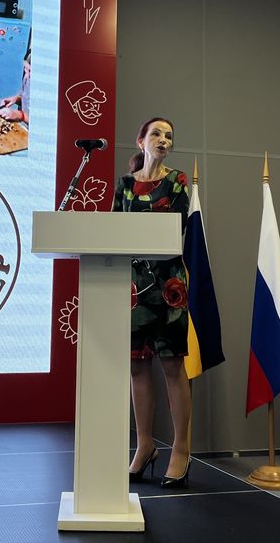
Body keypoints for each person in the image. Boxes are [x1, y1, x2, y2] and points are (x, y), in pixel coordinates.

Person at [112, 117, 192, 488]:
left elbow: (175, 227)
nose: (163, 140)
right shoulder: (125, 185)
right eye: (156, 133)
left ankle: (181, 448)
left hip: (168, 282)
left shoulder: (177, 181)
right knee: (136, 366)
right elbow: (112, 231)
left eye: (169, 136)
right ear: (141, 141)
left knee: (172, 366)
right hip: (133, 285)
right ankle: (145, 446)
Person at [0, 47, 31, 124]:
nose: (27, 75)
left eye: (31, 71)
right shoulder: (27, 78)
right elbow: (25, 97)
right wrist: (17, 99)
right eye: (25, 69)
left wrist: (21, 115)